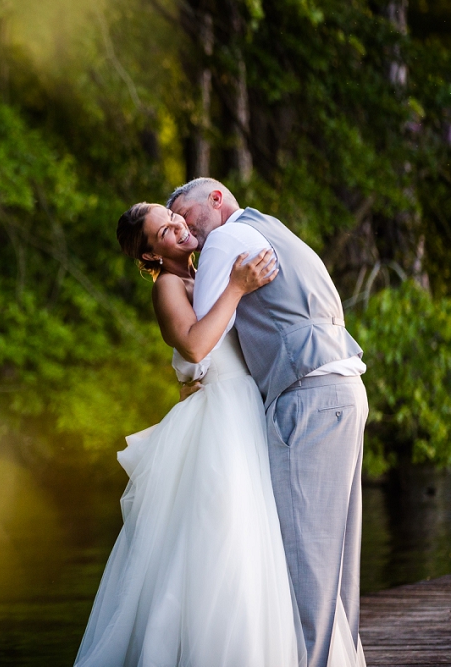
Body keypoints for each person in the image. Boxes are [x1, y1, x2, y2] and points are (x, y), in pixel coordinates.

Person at [74, 201, 302, 666]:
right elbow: (197, 343)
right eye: (163, 231)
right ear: (152, 256)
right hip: (218, 421)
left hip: (245, 413)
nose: (178, 226)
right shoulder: (169, 287)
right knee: (222, 538)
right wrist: (238, 288)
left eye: (174, 218)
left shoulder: (208, 276)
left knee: (251, 539)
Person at [168, 178, 368, 667]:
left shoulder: (226, 241)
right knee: (340, 570)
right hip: (345, 385)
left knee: (305, 567)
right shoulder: (274, 229)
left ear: (215, 200)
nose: (186, 230)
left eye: (184, 215)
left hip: (306, 396)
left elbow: (202, 344)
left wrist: (191, 376)